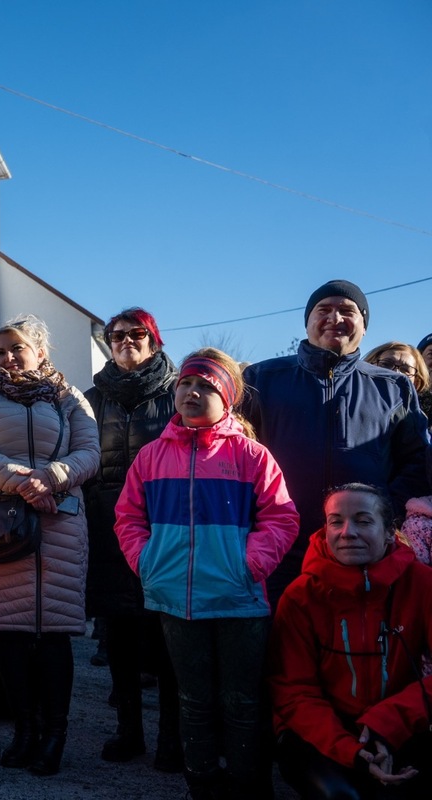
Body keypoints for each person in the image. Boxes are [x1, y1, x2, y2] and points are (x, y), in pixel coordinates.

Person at [115, 348, 300, 798]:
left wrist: (248, 564)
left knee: (242, 701)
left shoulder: (252, 455)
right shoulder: (151, 456)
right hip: (176, 600)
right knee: (192, 699)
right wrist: (148, 564)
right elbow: (128, 518)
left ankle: (248, 784)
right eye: (185, 384)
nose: (191, 393)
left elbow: (282, 517)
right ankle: (202, 783)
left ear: (228, 398)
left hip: (240, 602)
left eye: (205, 386)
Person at [0, 314, 100, 776]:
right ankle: (24, 731)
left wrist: (52, 477)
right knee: (10, 636)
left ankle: (54, 736)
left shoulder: (69, 396)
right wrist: (23, 482)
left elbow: (90, 452)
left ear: (39, 350)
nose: (7, 358)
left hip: (60, 521)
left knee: (54, 636)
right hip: (2, 523)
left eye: (17, 348)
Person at [242, 280, 429, 604]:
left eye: (347, 310)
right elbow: (234, 452)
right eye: (324, 309)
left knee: (355, 647)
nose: (335, 317)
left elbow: (417, 460)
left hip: (362, 550)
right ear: (308, 320)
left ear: (364, 325)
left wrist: (386, 512)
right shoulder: (263, 378)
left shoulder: (393, 387)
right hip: (277, 550)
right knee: (283, 646)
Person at [270, 483, 432, 799]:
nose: (347, 532)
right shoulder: (300, 596)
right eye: (336, 521)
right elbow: (293, 690)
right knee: (342, 795)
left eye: (363, 520)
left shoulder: (422, 584)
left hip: (400, 722)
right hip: (321, 731)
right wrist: (352, 751)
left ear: (389, 532)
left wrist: (387, 724)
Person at [82, 308, 182, 770]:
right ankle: (129, 731)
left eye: (136, 334)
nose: (125, 341)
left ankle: (172, 737)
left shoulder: (177, 393)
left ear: (154, 340)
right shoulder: (90, 399)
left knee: (167, 639)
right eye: (116, 335)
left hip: (165, 528)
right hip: (106, 527)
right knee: (119, 635)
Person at [363, 341, 432, 427]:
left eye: (405, 370)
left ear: (417, 382)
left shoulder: (419, 427)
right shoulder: (345, 401)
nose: (395, 373)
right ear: (368, 366)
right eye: (385, 364)